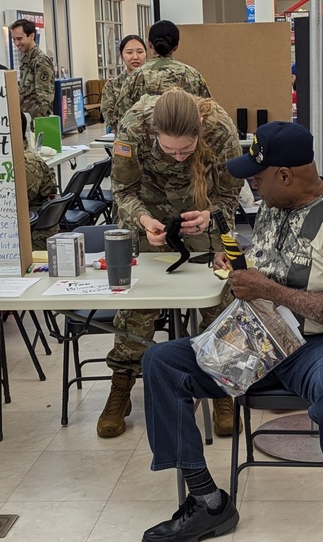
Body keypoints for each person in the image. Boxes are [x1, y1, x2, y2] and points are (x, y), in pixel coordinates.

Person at [138, 120, 323, 542]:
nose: (251, 184)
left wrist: (268, 287)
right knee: (161, 362)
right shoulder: (274, 206)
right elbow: (274, 266)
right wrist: (237, 265)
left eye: (257, 176)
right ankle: (207, 501)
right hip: (264, 338)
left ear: (286, 175)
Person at [101, 89, 243, 440]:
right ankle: (121, 384)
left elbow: (231, 193)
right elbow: (122, 190)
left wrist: (211, 216)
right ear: (153, 131)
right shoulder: (133, 128)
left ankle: (220, 387)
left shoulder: (222, 130)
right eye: (169, 150)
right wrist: (144, 220)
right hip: (150, 215)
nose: (179, 158)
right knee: (139, 304)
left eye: (186, 149)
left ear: (199, 129)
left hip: (202, 209)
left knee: (219, 298)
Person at [114, 20, 210, 133]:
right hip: (183, 145)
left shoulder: (135, 77)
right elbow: (207, 114)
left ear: (149, 44)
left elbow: (121, 119)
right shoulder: (193, 75)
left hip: (144, 146)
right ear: (176, 46)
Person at [21, 112, 57, 249]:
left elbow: (18, 207)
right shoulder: (24, 158)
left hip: (35, 237)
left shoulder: (26, 163)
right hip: (31, 230)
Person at [101, 34, 147, 132]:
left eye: (140, 52)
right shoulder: (112, 85)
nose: (135, 57)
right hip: (123, 139)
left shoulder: (154, 81)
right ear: (121, 55)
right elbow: (109, 118)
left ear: (146, 53)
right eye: (129, 52)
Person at [11, 18, 55, 118]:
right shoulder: (27, 59)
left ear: (31, 36)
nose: (16, 43)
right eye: (14, 39)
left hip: (37, 119)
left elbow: (44, 95)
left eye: (19, 39)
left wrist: (38, 121)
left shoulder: (40, 60)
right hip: (27, 116)